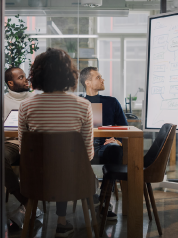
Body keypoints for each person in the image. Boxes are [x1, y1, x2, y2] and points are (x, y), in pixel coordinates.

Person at [18, 48, 94, 237]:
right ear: (70, 75)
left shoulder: (26, 106)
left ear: (37, 75)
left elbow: (23, 151)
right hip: (74, 180)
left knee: (53, 162)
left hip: (38, 180)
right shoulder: (83, 105)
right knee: (66, 162)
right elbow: (88, 155)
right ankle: (62, 220)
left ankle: (49, 218)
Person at [79, 67, 128, 221]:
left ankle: (104, 202)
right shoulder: (79, 103)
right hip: (83, 147)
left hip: (106, 146)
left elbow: (124, 127)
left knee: (115, 150)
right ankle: (94, 198)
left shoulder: (111, 102)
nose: (103, 79)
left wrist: (117, 140)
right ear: (87, 82)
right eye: (98, 77)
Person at [3, 67, 42, 228]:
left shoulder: (35, 99)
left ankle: (28, 206)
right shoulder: (2, 100)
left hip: (31, 144)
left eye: (25, 76)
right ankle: (26, 202)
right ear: (10, 83)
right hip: (11, 143)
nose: (26, 80)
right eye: (21, 78)